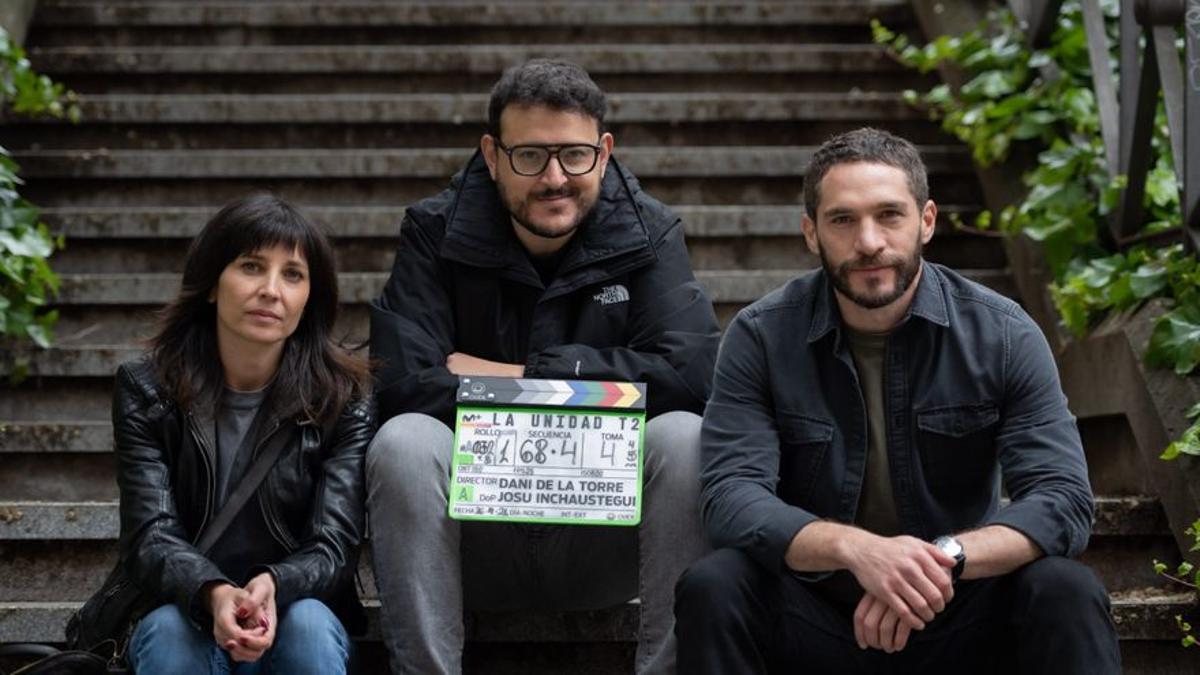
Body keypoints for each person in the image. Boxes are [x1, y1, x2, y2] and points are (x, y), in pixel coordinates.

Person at [674, 128, 1121, 673]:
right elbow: (732, 497)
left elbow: (1063, 496)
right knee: (715, 586)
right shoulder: (761, 336)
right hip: (818, 615)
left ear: (926, 221)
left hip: (960, 608)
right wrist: (860, 553)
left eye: (889, 215)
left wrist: (938, 561)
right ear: (811, 232)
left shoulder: (1002, 334)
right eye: (843, 219)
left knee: (1065, 588)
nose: (868, 242)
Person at [367, 59, 720, 674]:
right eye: (530, 156)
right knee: (403, 441)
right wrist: (593, 384)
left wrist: (518, 372)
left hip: (602, 544)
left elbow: (693, 375)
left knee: (686, 437)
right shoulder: (433, 230)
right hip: (470, 546)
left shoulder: (650, 232)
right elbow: (401, 382)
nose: (555, 178)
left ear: (605, 153)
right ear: (493, 154)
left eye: (575, 155)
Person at [93, 194, 374, 674]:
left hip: (293, 605)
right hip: (184, 605)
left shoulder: (343, 398)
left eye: (293, 274)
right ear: (210, 284)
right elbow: (149, 534)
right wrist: (213, 592)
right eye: (250, 266)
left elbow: (334, 544)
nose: (271, 290)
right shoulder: (148, 389)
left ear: (310, 299)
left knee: (307, 629)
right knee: (170, 635)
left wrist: (273, 585)